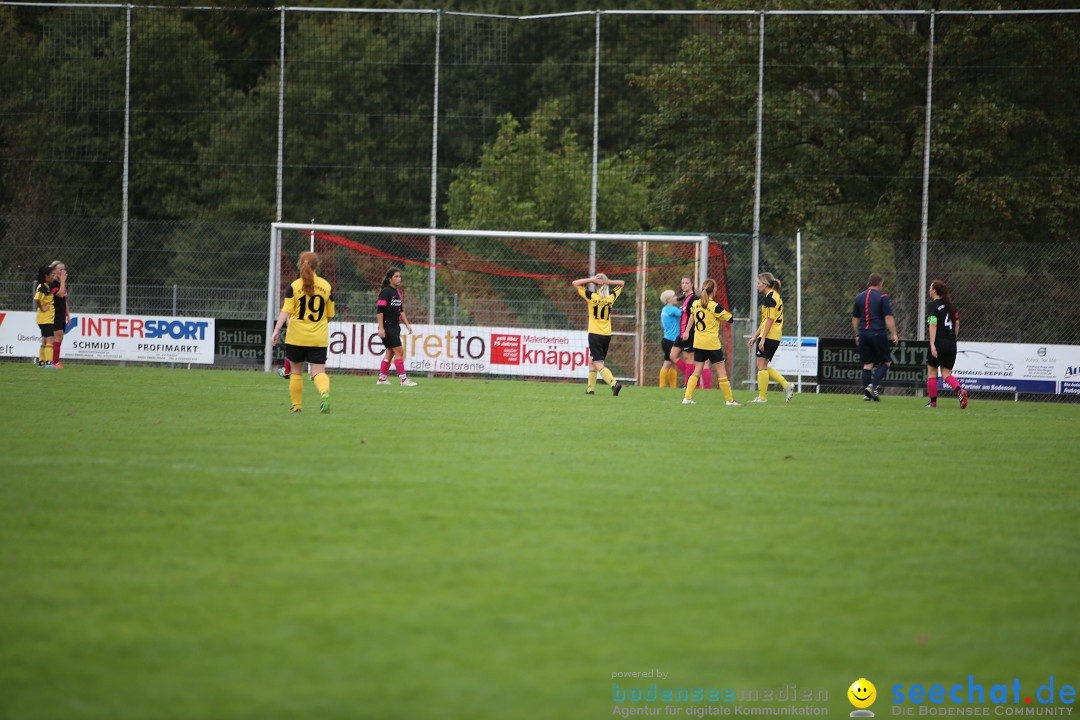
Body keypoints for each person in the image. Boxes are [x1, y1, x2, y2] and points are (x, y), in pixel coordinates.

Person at [270, 251, 334, 413]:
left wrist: (276, 330)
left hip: (296, 336)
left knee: (296, 372)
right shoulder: (326, 286)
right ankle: (324, 393)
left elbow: (286, 311)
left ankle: (297, 406)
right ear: (316, 265)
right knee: (318, 372)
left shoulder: (294, 287)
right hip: (318, 337)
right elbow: (330, 314)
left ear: (300, 264)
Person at [682, 278, 740, 406]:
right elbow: (730, 319)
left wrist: (686, 331)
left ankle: (687, 398)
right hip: (711, 343)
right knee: (721, 371)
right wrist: (722, 313)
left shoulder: (696, 303)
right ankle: (730, 400)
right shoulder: (714, 306)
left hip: (698, 342)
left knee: (697, 370)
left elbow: (691, 315)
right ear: (714, 290)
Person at [571, 272, 625, 395]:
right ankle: (590, 389)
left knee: (598, 363)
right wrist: (609, 281)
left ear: (595, 285)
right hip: (607, 334)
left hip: (595, 334)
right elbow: (622, 283)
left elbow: (575, 283)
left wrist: (591, 279)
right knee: (592, 360)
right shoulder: (611, 297)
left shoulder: (592, 296)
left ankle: (614, 384)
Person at [851, 272, 899, 401]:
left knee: (867, 364)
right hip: (877, 332)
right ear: (879, 283)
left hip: (863, 333)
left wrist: (857, 334)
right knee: (886, 361)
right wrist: (894, 333)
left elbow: (855, 319)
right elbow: (888, 317)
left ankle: (867, 394)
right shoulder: (883, 297)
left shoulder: (859, 297)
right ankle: (873, 386)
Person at [747, 272, 793, 403]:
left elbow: (770, 319)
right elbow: (766, 320)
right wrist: (755, 336)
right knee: (763, 365)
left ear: (766, 284)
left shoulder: (770, 298)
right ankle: (786, 385)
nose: (757, 286)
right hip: (774, 335)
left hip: (770, 335)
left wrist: (762, 339)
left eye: (759, 283)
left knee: (761, 366)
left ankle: (762, 398)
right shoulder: (775, 296)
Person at [925, 279, 969, 410]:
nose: (929, 290)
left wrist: (932, 344)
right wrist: (952, 338)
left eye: (930, 288)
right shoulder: (950, 306)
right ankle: (960, 392)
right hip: (951, 343)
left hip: (939, 342)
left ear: (934, 291)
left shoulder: (932, 306)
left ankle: (933, 403)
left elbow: (933, 324)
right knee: (947, 374)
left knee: (932, 372)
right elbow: (957, 323)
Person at [670, 275, 712, 390]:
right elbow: (679, 298)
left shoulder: (694, 298)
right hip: (682, 332)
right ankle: (694, 380)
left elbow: (693, 316)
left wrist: (688, 331)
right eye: (682, 283)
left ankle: (690, 384)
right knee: (673, 355)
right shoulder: (685, 297)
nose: (684, 285)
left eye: (687, 283)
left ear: (692, 284)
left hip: (689, 332)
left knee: (690, 359)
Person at [376, 267, 416, 386]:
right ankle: (404, 379)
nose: (399, 279)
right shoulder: (386, 292)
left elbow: (401, 310)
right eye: (396, 277)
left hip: (395, 326)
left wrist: (407, 324)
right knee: (399, 351)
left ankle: (382, 379)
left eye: (400, 276)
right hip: (387, 326)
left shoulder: (398, 292)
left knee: (390, 352)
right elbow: (380, 310)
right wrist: (381, 327)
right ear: (390, 279)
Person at [33, 266, 56, 369]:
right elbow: (37, 298)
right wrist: (42, 307)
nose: (53, 277)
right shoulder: (42, 287)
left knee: (44, 340)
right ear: (46, 276)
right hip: (46, 318)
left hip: (44, 318)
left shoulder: (44, 286)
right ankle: (48, 363)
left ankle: (42, 363)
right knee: (50, 340)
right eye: (52, 275)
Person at [658, 289, 682, 387]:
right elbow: (683, 313)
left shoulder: (665, 309)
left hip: (666, 339)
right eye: (673, 296)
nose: (675, 297)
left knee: (672, 364)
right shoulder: (671, 309)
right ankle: (662, 386)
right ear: (668, 300)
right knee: (667, 363)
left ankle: (672, 387)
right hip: (671, 340)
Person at [48, 260, 69, 368]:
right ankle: (54, 362)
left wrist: (68, 314)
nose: (62, 271)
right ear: (55, 271)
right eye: (60, 269)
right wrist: (63, 281)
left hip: (61, 314)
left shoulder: (62, 283)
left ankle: (53, 361)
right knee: (57, 337)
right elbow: (60, 294)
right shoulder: (52, 283)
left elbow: (65, 299)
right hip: (54, 313)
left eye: (64, 269)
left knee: (59, 338)